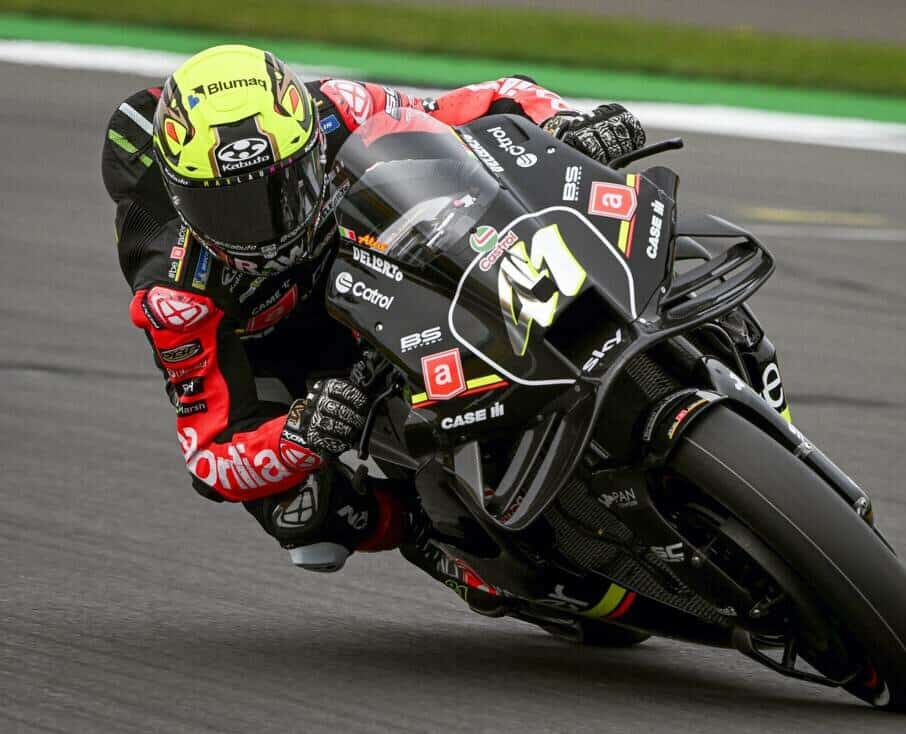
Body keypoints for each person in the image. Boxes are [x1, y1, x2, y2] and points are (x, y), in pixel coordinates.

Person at [101, 44, 647, 572]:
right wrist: (298, 434)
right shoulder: (175, 291)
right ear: (182, 200)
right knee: (305, 516)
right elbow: (212, 453)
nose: (263, 226)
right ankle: (422, 530)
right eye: (228, 208)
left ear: (310, 144)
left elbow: (480, 104)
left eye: (282, 188)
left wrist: (562, 125)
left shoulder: (339, 107)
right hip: (277, 355)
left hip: (368, 268)